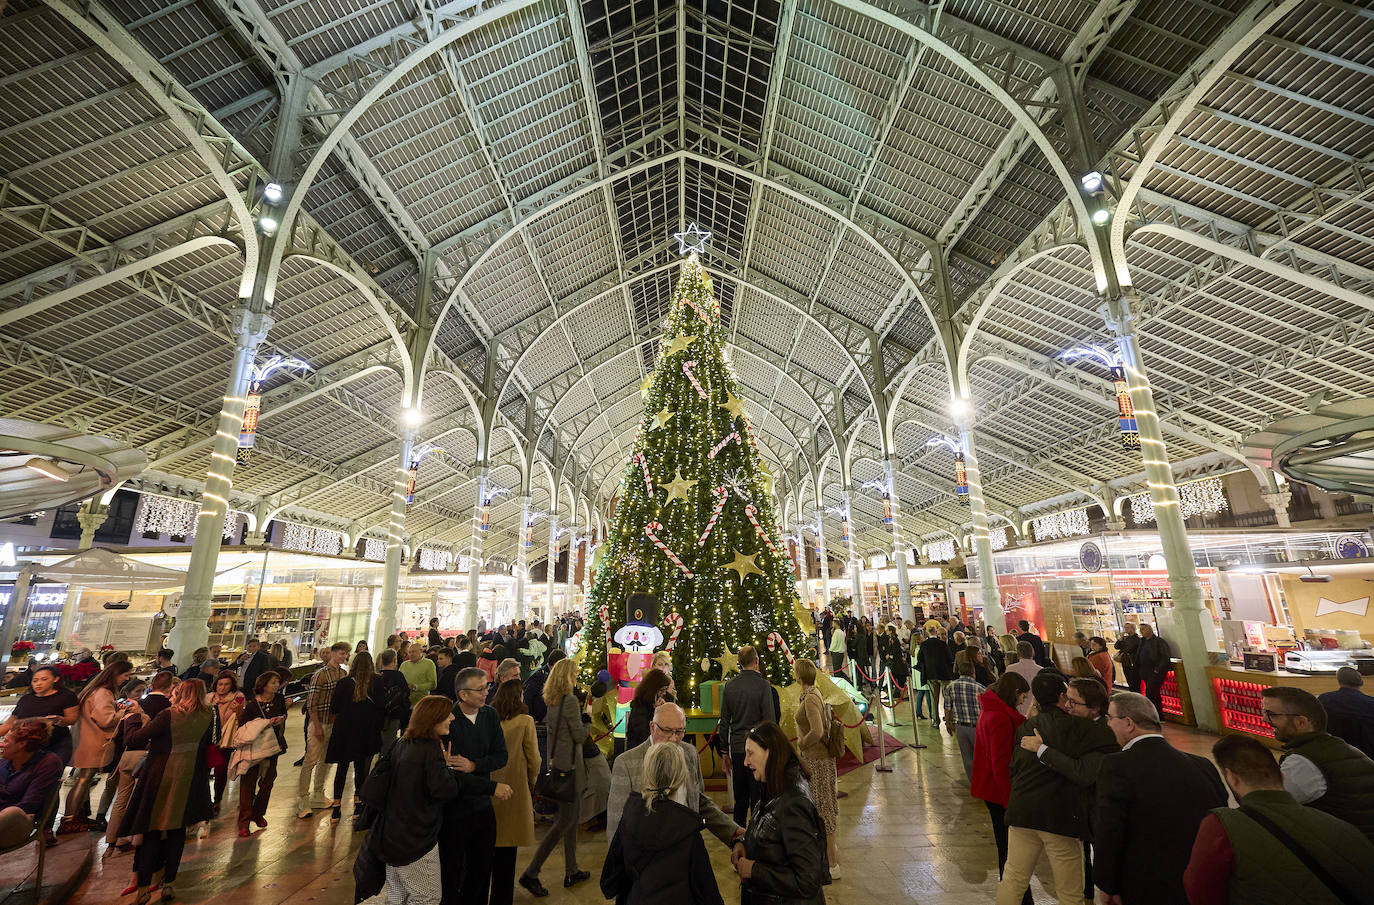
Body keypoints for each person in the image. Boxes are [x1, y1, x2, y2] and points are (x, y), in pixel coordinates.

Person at [1184, 734, 1374, 905]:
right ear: (1282, 777)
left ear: (1232, 778)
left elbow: (1199, 890)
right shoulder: (1342, 827)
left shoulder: (1221, 825)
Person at [1084, 691, 1227, 904]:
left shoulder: (1117, 765)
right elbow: (1220, 820)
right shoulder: (1202, 765)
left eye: (1110, 719)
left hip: (1145, 883)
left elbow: (1110, 829)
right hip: (1198, 881)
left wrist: (1106, 884)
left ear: (1128, 723)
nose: (1108, 725)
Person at [996, 672, 1118, 905]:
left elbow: (1014, 767)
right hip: (1060, 816)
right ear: (1060, 697)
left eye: (1075, 702)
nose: (1070, 705)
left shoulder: (1030, 725)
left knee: (1013, 879)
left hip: (1023, 810)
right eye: (1068, 699)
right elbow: (1082, 773)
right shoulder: (1084, 729)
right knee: (1070, 891)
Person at [121, 679, 213, 905]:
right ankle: (169, 883)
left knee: (151, 830)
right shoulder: (207, 715)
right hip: (188, 778)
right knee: (177, 833)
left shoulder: (169, 715)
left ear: (181, 692)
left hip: (160, 776)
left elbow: (134, 739)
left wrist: (132, 717)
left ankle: (143, 889)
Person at [365, 697, 464, 905]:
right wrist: (447, 769)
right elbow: (444, 790)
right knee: (427, 897)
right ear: (433, 718)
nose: (452, 718)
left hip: (391, 834)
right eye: (447, 714)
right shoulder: (429, 749)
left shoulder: (402, 743)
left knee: (397, 896)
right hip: (415, 840)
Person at [602, 741, 725, 905]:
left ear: (648, 775)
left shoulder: (628, 821)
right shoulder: (688, 832)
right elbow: (709, 895)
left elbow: (609, 883)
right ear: (681, 777)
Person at [607, 701, 740, 847]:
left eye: (679, 731)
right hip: (647, 860)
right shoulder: (626, 763)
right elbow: (616, 824)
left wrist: (732, 831)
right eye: (667, 731)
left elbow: (698, 801)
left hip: (687, 850)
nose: (674, 738)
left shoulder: (690, 753)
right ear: (652, 727)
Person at [1262, 685, 1374, 840]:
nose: (1264, 719)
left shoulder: (1303, 763)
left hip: (1352, 853)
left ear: (1301, 722)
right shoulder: (1334, 746)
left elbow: (1266, 807)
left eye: (1271, 714)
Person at [733, 721, 827, 905]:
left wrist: (754, 870)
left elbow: (808, 880)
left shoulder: (794, 805)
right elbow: (772, 835)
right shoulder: (774, 787)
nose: (745, 761)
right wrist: (744, 843)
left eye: (751, 753)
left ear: (770, 752)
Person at [439, 667, 510, 905]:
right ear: (463, 695)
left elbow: (501, 756)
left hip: (482, 805)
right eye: (480, 689)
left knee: (481, 869)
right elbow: (451, 772)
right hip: (455, 808)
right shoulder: (448, 720)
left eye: (487, 687)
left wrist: (474, 764)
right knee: (453, 870)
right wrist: (472, 772)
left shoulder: (489, 715)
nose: (486, 693)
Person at [519, 658, 590, 895]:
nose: (576, 677)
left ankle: (572, 870)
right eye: (574, 674)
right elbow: (579, 736)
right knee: (564, 823)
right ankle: (531, 872)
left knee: (568, 821)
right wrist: (587, 720)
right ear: (566, 676)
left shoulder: (552, 700)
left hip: (558, 765)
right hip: (569, 768)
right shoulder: (569, 701)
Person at [971, 672, 1032, 905]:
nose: (1022, 703)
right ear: (1015, 692)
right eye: (1022, 697)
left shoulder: (993, 710)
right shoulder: (998, 717)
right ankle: (1017, 897)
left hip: (992, 790)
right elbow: (1001, 763)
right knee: (1010, 851)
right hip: (999, 793)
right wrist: (1010, 802)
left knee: (1008, 849)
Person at [60, 659, 133, 832]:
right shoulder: (104, 692)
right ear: (116, 675)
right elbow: (105, 719)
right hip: (93, 740)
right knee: (84, 779)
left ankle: (79, 816)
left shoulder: (92, 689)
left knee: (84, 779)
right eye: (126, 675)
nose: (127, 679)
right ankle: (69, 819)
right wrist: (123, 711)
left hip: (84, 738)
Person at [491, 679, 540, 905]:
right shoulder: (525, 722)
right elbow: (534, 758)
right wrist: (531, 783)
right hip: (515, 788)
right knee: (508, 853)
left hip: (489, 788)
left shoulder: (490, 720)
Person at [718, 646, 778, 828]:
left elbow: (724, 721)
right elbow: (770, 721)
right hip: (758, 750)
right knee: (758, 798)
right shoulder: (763, 686)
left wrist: (724, 752)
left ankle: (738, 837)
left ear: (739, 663)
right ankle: (757, 837)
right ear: (756, 661)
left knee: (740, 798)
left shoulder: (730, 686)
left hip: (737, 749)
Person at [793, 659, 840, 879]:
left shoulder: (811, 697)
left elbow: (818, 731)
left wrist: (802, 744)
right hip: (815, 759)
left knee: (823, 809)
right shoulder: (811, 693)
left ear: (800, 676)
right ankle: (825, 857)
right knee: (820, 807)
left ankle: (832, 863)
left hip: (818, 761)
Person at [326, 650, 385, 823]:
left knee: (342, 769)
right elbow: (382, 707)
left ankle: (336, 806)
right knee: (361, 769)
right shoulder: (377, 682)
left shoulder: (344, 683)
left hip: (345, 731)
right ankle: (358, 804)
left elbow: (334, 707)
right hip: (367, 731)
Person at [295, 641, 350, 819]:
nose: (344, 656)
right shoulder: (320, 674)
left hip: (334, 723)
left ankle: (318, 793)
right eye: (341, 653)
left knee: (325, 760)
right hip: (320, 722)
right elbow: (312, 702)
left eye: (346, 654)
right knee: (310, 760)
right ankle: (303, 798)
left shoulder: (342, 673)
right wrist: (317, 725)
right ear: (333, 653)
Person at [237, 670, 288, 837]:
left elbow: (283, 715)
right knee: (248, 784)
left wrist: (281, 718)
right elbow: (244, 726)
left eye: (277, 682)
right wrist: (265, 724)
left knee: (268, 782)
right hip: (254, 748)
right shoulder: (252, 705)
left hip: (272, 746)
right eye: (273, 682)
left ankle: (258, 813)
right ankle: (244, 821)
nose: (276, 685)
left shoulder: (279, 700)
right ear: (263, 685)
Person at [0, 720, 62, 847]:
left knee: (13, 812)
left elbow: (28, 805)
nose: (1, 744)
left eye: (6, 741)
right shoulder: (4, 763)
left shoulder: (48, 763)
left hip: (17, 823)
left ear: (22, 744)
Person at [0, 663, 79, 764]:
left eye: (44, 679)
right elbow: (9, 724)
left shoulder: (66, 696)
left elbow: (72, 719)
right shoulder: (26, 699)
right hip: (26, 746)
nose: (38, 683)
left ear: (56, 679)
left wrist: (59, 720)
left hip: (56, 745)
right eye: (35, 681)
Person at [207, 673, 245, 817]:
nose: (222, 687)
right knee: (205, 770)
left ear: (232, 685)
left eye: (226, 684)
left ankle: (217, 800)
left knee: (220, 771)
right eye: (220, 684)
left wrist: (239, 710)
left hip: (225, 740)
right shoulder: (209, 698)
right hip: (209, 738)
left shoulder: (238, 697)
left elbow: (241, 719)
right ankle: (206, 801)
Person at [1318, 667, 1374, 758]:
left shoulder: (1324, 699)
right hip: (1368, 756)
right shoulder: (1371, 703)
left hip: (1333, 753)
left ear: (1339, 680)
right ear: (1361, 682)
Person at [943, 658, 985, 780]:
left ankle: (973, 781)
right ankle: (982, 781)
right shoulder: (980, 688)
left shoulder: (951, 686)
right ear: (973, 673)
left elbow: (947, 708)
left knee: (967, 756)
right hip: (977, 727)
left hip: (960, 726)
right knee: (981, 755)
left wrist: (948, 723)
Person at [375, 648, 411, 754]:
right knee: (390, 742)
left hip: (379, 714)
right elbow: (406, 693)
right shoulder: (398, 676)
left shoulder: (377, 676)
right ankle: (386, 765)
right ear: (395, 661)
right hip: (394, 713)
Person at [916, 626, 955, 727]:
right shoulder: (942, 644)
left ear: (928, 633)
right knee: (947, 697)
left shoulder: (924, 645)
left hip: (931, 674)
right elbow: (950, 658)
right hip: (944, 674)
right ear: (936, 633)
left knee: (934, 699)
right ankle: (949, 718)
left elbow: (919, 659)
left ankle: (935, 720)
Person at [626, 668, 673, 751]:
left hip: (662, 746)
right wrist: (656, 712)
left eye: (665, 690)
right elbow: (644, 735)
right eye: (662, 690)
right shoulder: (639, 706)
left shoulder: (666, 698)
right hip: (641, 750)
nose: (664, 693)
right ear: (653, 690)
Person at [1135, 623, 1170, 718]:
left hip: (1154, 671)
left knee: (1151, 692)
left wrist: (1158, 669)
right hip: (1145, 671)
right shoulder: (1142, 642)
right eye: (1140, 629)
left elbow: (1165, 657)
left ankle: (1156, 714)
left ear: (1150, 630)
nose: (1142, 631)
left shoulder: (1158, 641)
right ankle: (1157, 714)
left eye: (1144, 629)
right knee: (1153, 693)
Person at [523, 650, 565, 723]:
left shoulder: (555, 675)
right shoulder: (539, 676)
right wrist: (532, 717)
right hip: (538, 719)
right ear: (556, 663)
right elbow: (527, 697)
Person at [1005, 642, 1041, 714]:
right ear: (1033, 653)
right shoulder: (1041, 670)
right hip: (1035, 710)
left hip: (1016, 710)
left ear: (1018, 654)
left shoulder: (1010, 669)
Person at [401, 640, 437, 705]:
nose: (411, 654)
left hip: (422, 702)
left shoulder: (429, 664)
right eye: (409, 652)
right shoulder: (404, 664)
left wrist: (416, 687)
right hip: (405, 702)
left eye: (414, 652)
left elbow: (433, 684)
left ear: (421, 651)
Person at [1113, 623, 1140, 694]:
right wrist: (1120, 639)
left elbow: (1129, 649)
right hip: (1125, 662)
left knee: (1134, 681)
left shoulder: (1136, 638)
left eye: (1128, 628)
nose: (1126, 629)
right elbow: (1116, 646)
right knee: (1129, 680)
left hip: (1133, 663)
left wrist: (1122, 648)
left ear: (1133, 628)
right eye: (1125, 628)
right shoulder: (1125, 638)